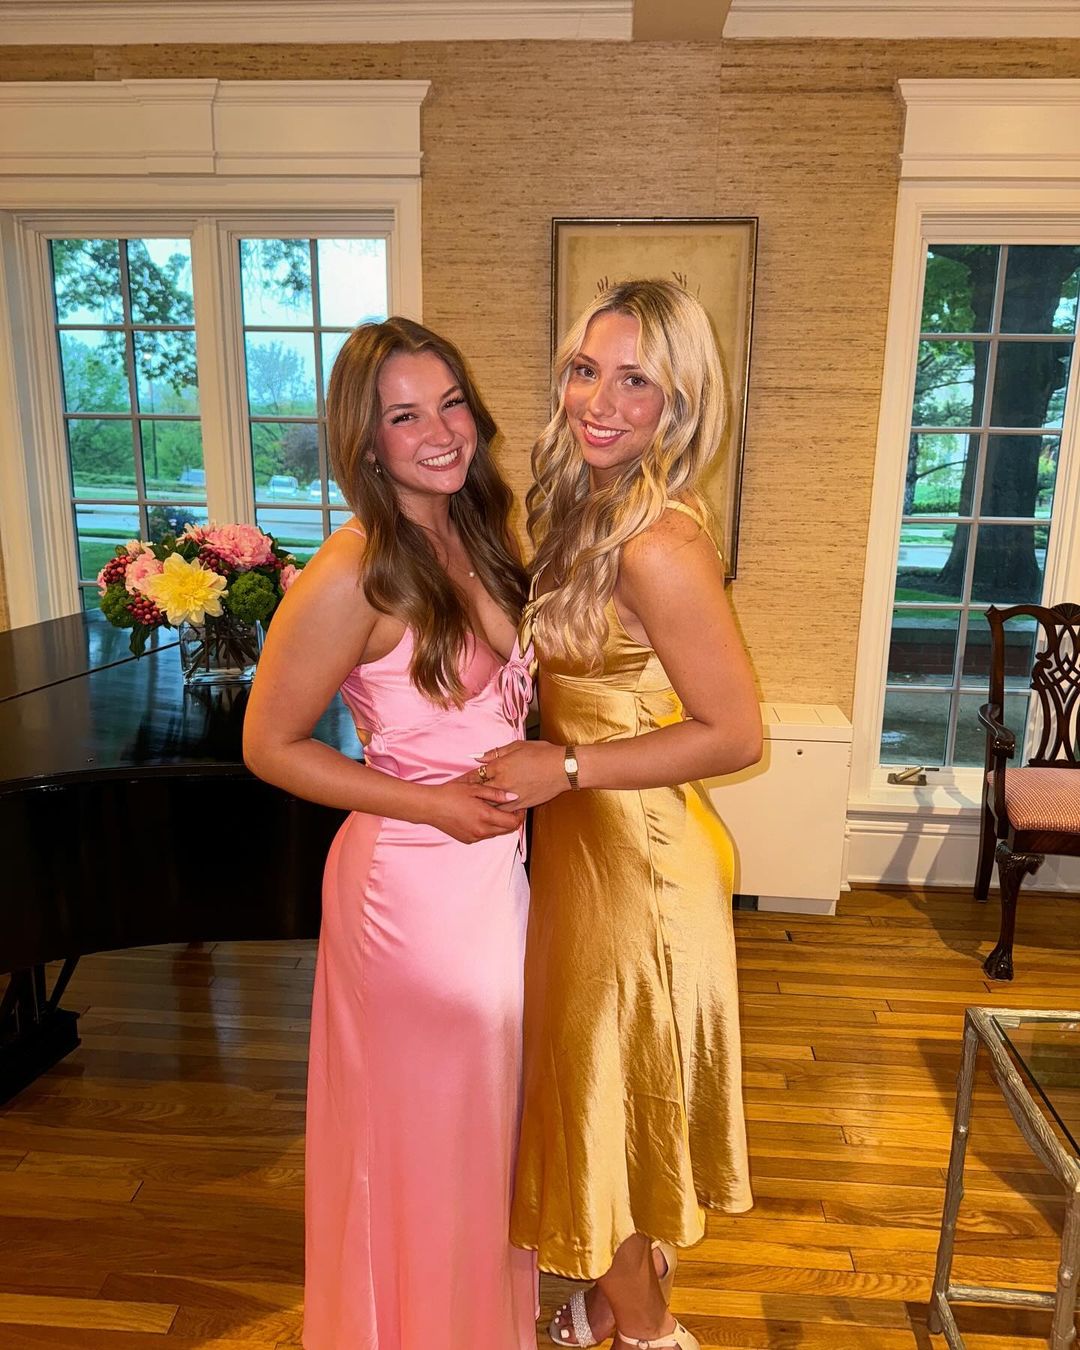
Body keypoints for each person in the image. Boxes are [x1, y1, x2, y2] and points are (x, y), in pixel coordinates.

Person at [472, 280, 763, 1350]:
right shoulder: (584, 509)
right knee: (609, 1094)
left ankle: (648, 1332)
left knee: (607, 1103)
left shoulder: (658, 543)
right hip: (590, 849)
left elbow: (736, 734)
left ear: (678, 404)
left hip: (639, 867)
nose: (599, 401)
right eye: (586, 370)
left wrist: (567, 766)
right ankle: (612, 1302)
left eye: (636, 380)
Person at [243, 317, 538, 1350]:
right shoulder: (353, 567)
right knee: (417, 1140)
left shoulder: (484, 532)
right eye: (405, 416)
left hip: (494, 880)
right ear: (365, 442)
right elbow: (268, 744)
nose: (441, 432)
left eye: (451, 403)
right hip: (407, 890)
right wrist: (434, 805)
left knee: (480, 1134)